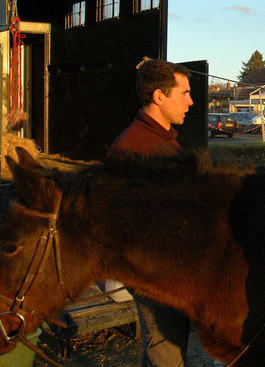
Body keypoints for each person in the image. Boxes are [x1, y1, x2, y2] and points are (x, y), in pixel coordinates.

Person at [106, 59, 194, 367]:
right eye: (184, 93)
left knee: (168, 347)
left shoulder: (163, 140)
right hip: (155, 277)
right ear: (159, 96)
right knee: (165, 350)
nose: (191, 101)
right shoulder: (132, 148)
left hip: (174, 273)